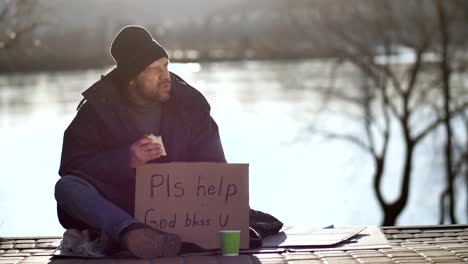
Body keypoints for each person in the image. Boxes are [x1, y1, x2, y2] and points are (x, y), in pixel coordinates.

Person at [54, 25, 226, 259]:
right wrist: (126, 160)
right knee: (66, 188)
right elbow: (73, 166)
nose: (165, 76)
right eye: (154, 69)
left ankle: (127, 237)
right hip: (121, 206)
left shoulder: (191, 105)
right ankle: (133, 234)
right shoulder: (97, 109)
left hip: (180, 207)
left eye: (166, 65)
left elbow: (216, 167)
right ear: (131, 79)